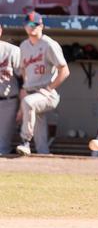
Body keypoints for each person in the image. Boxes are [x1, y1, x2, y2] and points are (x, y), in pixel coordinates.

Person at [16, 11, 70, 156]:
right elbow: (24, 75)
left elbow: (64, 71)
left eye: (35, 24)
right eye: (28, 23)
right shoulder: (23, 46)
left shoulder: (49, 44)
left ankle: (25, 141)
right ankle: (43, 155)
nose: (31, 26)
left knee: (29, 103)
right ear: (24, 26)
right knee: (38, 125)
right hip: (30, 92)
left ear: (42, 26)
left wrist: (49, 88)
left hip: (47, 93)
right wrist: (21, 106)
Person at [0, 25, 21, 155]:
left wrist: (23, 106)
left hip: (7, 102)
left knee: (3, 146)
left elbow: (24, 78)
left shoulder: (12, 50)